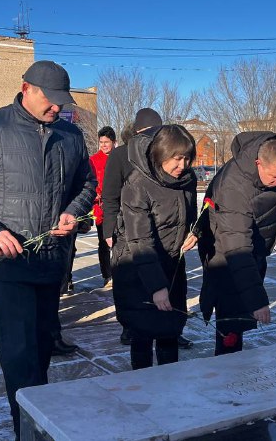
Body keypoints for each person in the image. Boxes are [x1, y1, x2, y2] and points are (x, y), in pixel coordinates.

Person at [0, 60, 96, 438]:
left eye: (61, 100)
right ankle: (27, 431)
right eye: (49, 98)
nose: (56, 107)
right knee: (20, 357)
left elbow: (86, 184)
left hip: (50, 259)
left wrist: (72, 212)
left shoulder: (70, 136)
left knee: (41, 351)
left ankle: (35, 424)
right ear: (26, 88)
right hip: (5, 264)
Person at [198, 132, 276, 355]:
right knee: (230, 328)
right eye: (275, 177)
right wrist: (257, 299)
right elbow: (237, 246)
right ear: (258, 163)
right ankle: (228, 372)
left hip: (250, 254)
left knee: (238, 327)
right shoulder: (234, 187)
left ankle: (236, 366)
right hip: (227, 259)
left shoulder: (265, 170)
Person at [112, 125, 198, 369]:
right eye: (177, 158)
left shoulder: (187, 180)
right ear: (161, 154)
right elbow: (140, 239)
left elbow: (192, 216)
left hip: (171, 264)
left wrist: (195, 232)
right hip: (138, 266)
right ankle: (143, 383)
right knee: (143, 332)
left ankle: (169, 381)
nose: (182, 165)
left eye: (187, 158)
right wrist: (156, 286)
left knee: (170, 329)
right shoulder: (137, 185)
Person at [101, 108, 163, 346]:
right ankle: (129, 325)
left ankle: (166, 324)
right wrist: (109, 229)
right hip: (126, 227)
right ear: (136, 132)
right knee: (128, 280)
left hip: (160, 226)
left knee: (161, 276)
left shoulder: (163, 152)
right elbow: (110, 195)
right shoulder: (120, 155)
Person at [90, 126, 117, 288]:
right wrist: (95, 194)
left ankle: (121, 271)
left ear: (114, 142)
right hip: (102, 207)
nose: (104, 145)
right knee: (104, 242)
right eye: (101, 142)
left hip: (119, 206)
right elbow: (89, 182)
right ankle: (107, 275)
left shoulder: (120, 157)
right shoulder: (93, 160)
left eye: (107, 142)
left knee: (120, 241)